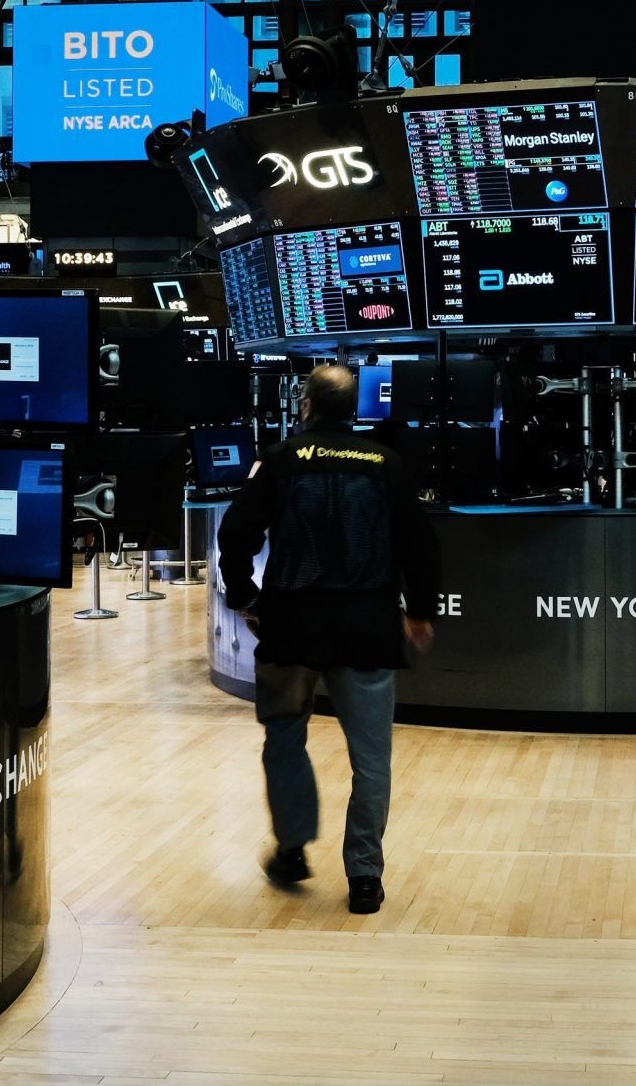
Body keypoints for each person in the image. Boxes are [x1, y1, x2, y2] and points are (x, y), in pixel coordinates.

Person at [218, 364, 442, 914]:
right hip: (366, 627)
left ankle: (292, 849)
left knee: (285, 739)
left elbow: (235, 533)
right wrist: (421, 611)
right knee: (372, 759)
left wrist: (246, 597)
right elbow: (420, 543)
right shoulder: (385, 464)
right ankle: (365, 876)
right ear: (354, 410)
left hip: (292, 627)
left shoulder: (280, 461)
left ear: (307, 406)